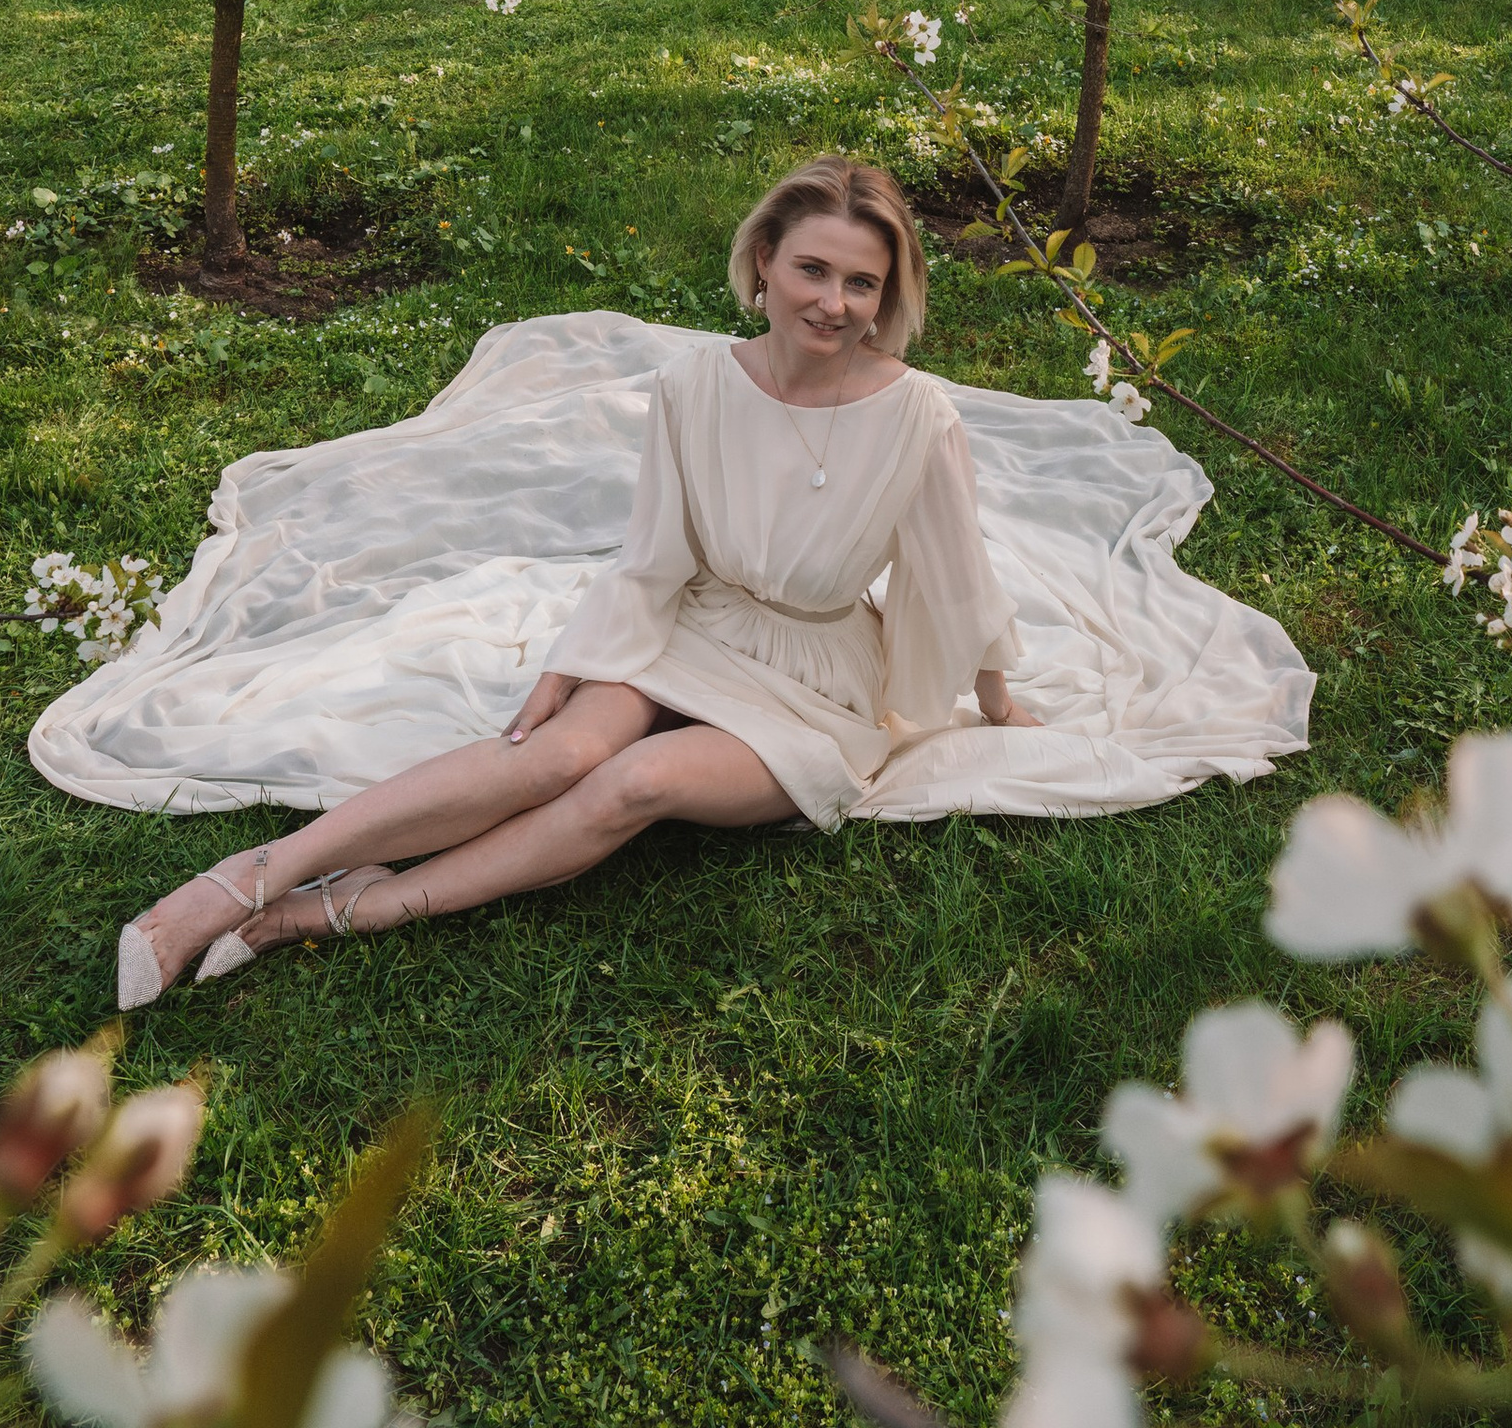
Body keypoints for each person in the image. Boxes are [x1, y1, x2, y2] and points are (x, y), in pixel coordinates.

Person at [115, 157, 1033, 996]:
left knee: (634, 783)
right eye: (814, 270)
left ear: (886, 297)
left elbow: (956, 577)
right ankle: (242, 878)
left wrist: (997, 702)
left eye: (861, 283)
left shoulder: (916, 412)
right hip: (698, 627)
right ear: (763, 263)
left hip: (820, 687)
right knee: (556, 752)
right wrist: (570, 661)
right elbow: (652, 559)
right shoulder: (693, 388)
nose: (834, 303)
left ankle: (338, 908)